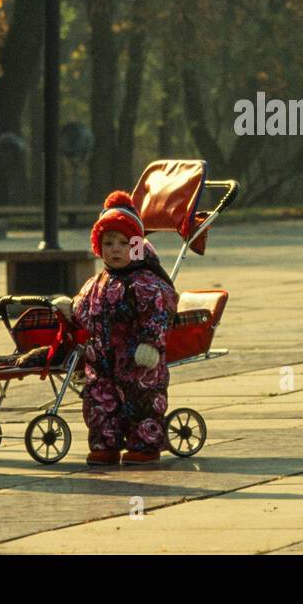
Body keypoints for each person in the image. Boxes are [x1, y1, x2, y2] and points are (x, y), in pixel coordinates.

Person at [71, 191, 178, 465]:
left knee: (141, 398)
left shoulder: (146, 283)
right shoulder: (96, 282)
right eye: (108, 243)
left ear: (137, 247)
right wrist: (68, 310)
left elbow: (158, 312)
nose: (115, 249)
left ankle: (144, 444)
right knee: (99, 400)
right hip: (101, 359)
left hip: (137, 358)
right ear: (99, 247)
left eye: (123, 243)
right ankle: (104, 443)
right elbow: (83, 308)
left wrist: (150, 343)